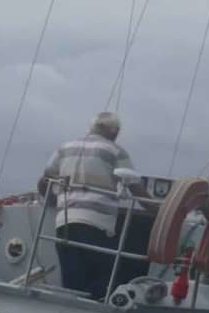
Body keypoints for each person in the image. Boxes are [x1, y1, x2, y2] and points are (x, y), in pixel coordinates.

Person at [40, 112, 151, 300]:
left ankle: (70, 309)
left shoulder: (65, 148)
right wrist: (163, 211)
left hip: (65, 221)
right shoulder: (115, 151)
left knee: (72, 278)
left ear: (90, 128)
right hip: (96, 224)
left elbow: (44, 181)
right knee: (109, 276)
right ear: (115, 131)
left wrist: (53, 200)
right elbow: (136, 190)